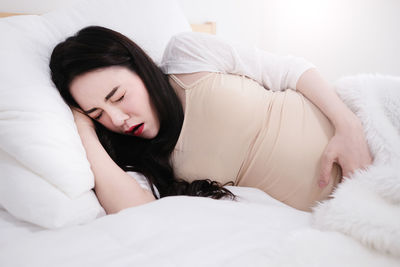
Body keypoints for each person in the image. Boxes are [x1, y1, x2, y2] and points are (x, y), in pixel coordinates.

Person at [49, 26, 372, 214]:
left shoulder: (189, 56)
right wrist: (84, 130)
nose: (117, 119)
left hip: (369, 132)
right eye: (97, 114)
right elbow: (136, 214)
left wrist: (349, 127)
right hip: (348, 207)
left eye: (118, 97)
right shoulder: (145, 162)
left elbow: (289, 70)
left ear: (141, 69)